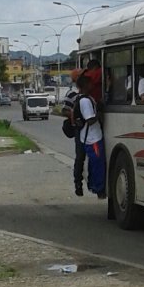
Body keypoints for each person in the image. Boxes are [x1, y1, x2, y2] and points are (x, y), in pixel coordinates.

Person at [76, 75, 106, 199]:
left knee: (95, 164)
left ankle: (94, 185)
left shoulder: (86, 98)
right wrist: (99, 114)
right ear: (85, 86)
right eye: (90, 84)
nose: (92, 86)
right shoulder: (85, 101)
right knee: (97, 164)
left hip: (91, 137)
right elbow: (89, 120)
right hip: (92, 138)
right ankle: (98, 188)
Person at [61, 69, 85, 197]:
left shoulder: (89, 93)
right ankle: (78, 183)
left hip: (92, 130)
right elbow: (64, 110)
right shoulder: (72, 94)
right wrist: (75, 115)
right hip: (79, 129)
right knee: (80, 156)